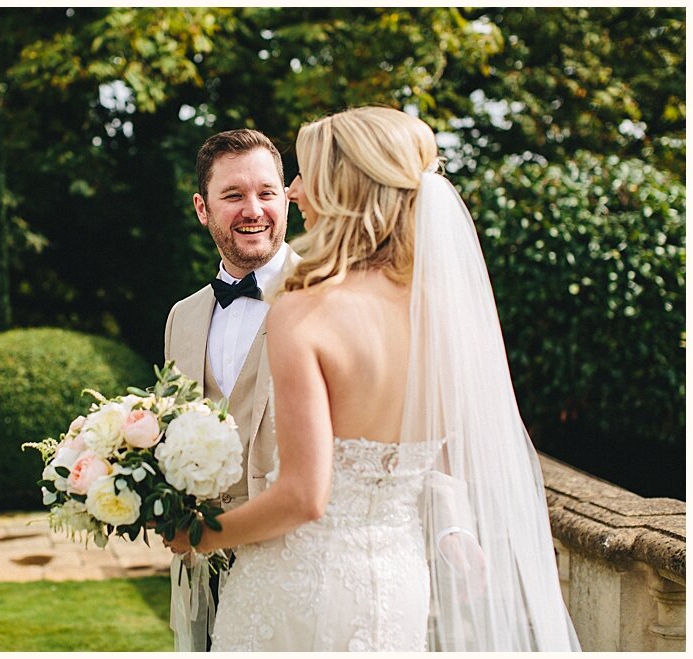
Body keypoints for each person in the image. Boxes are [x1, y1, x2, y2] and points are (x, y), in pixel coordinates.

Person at [171, 107, 579, 651]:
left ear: (339, 188)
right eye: (234, 195)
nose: (290, 192)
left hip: (289, 580)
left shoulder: (302, 308)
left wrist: (194, 534)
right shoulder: (441, 313)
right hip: (393, 581)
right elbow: (419, 443)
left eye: (291, 180)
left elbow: (306, 496)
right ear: (203, 207)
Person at [159, 128, 298, 649]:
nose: (253, 209)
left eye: (266, 192)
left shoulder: (325, 297)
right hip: (199, 569)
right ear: (203, 208)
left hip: (293, 560)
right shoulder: (182, 317)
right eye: (234, 195)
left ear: (286, 198)